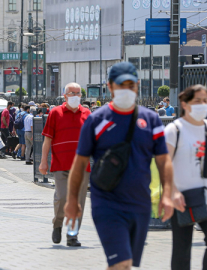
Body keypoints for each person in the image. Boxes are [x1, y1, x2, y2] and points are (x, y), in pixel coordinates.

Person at [65, 62, 175, 269]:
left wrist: (167, 194)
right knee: (121, 262)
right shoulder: (97, 120)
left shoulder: (150, 119)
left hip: (140, 205)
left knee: (125, 264)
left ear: (137, 85)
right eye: (120, 84)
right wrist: (72, 201)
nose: (126, 89)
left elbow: (164, 160)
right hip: (107, 203)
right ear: (110, 86)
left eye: (130, 85)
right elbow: (79, 164)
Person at [39, 82, 90, 247]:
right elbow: (47, 139)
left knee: (78, 202)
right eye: (71, 93)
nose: (75, 95)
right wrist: (43, 162)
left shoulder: (87, 114)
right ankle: (58, 224)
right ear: (65, 95)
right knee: (61, 198)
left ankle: (72, 235)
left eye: (78, 93)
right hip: (61, 164)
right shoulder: (55, 113)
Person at [164, 85, 207, 270]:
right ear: (185, 104)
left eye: (205, 101)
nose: (202, 104)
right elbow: (164, 163)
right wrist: (172, 192)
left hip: (204, 195)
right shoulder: (175, 130)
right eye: (197, 101)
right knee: (182, 250)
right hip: (181, 196)